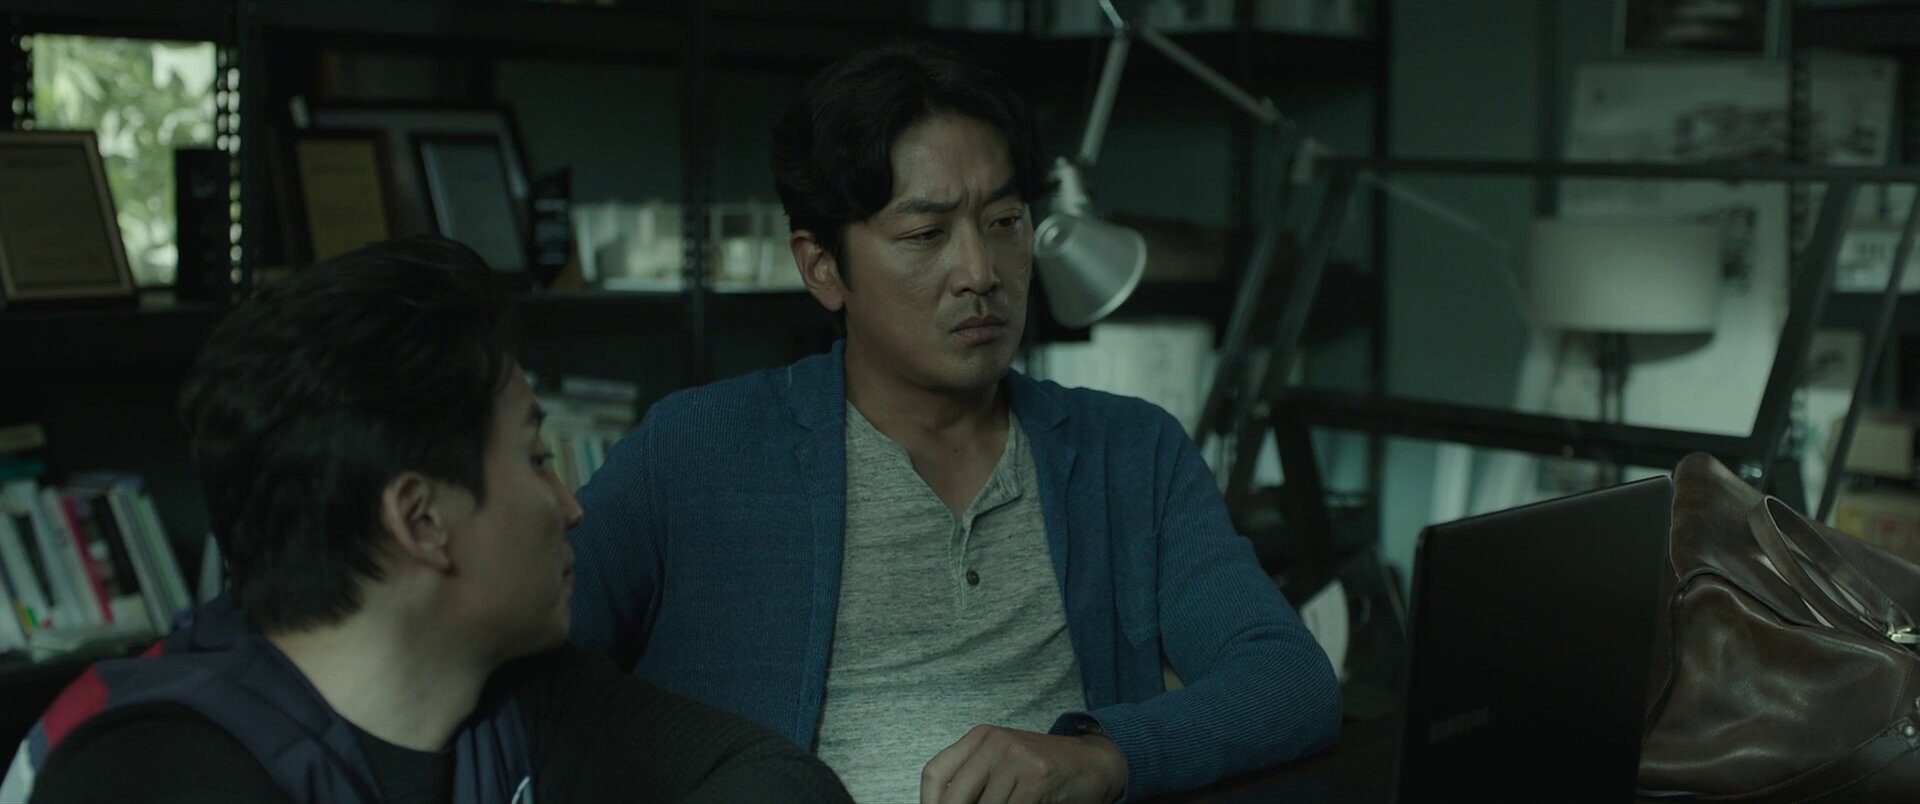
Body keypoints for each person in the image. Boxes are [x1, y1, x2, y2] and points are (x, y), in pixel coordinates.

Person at [567, 42, 1342, 803]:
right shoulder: (699, 449)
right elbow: (526, 657)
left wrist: (1103, 754)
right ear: (822, 266)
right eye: (926, 235)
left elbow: (1290, 680)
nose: (981, 273)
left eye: (1005, 221)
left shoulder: (1130, 453)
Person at [1, 237, 852, 804]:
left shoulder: (516, 693)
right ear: (422, 520)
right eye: (535, 459)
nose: (571, 506)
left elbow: (783, 781)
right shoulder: (154, 769)